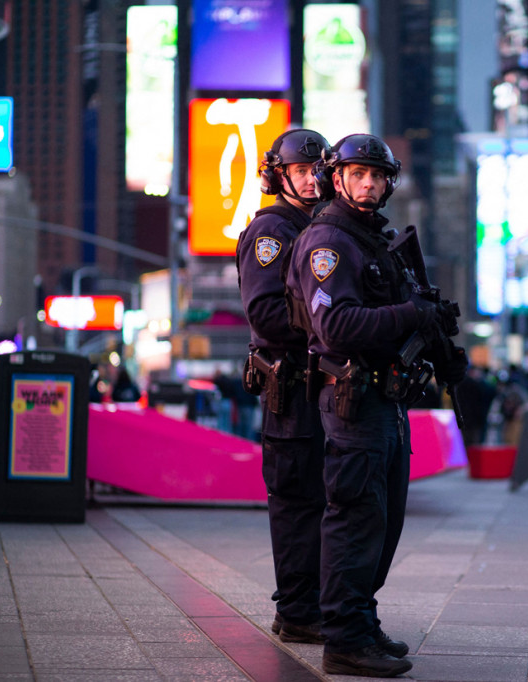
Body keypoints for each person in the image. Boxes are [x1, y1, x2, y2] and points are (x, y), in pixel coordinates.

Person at [285, 134, 466, 678]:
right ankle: (343, 637)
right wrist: (410, 316)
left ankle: (359, 622)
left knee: (381, 524)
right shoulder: (328, 243)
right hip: (352, 402)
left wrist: (430, 325)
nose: (368, 183)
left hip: (385, 400)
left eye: (377, 176)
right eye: (358, 174)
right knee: (356, 520)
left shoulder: (371, 239)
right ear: (335, 179)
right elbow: (335, 326)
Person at [236, 128, 330, 645]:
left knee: (324, 500)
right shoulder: (274, 230)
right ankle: (297, 611)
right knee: (297, 503)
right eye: (302, 171)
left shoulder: (322, 227)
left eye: (320, 171)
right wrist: (333, 321)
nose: (314, 181)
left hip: (323, 390)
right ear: (280, 175)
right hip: (291, 389)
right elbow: (266, 314)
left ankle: (315, 606)